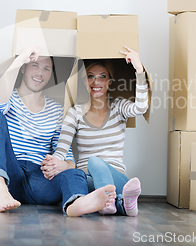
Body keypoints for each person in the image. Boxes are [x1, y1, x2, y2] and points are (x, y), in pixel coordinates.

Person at [0, 45, 115, 216]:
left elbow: (69, 159)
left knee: (75, 173)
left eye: (47, 68)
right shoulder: (7, 98)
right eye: (35, 65)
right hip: (11, 176)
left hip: (41, 179)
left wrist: (62, 165)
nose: (40, 73)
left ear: (51, 74)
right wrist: (20, 58)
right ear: (23, 69)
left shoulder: (57, 110)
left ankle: (75, 204)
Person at [41, 46, 149, 216]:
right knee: (85, 172)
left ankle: (106, 202)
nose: (96, 82)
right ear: (85, 82)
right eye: (90, 77)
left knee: (95, 161)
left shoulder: (119, 107)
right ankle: (121, 203)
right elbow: (61, 150)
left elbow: (141, 108)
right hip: (87, 181)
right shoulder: (75, 113)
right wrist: (52, 163)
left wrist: (139, 70)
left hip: (117, 178)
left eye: (102, 77)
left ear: (109, 82)